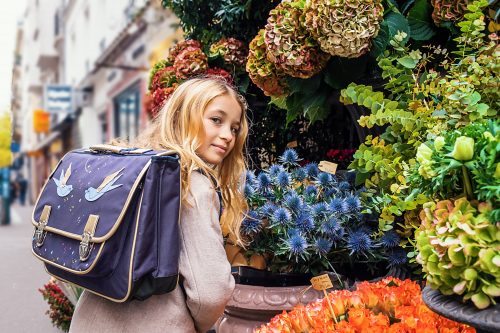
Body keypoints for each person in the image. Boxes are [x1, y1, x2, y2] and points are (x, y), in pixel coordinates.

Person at [69, 77, 249, 333]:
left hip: (89, 322)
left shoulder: (135, 167)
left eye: (234, 127)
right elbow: (210, 291)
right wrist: (195, 325)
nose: (227, 136)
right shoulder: (192, 183)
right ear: (183, 116)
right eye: (216, 120)